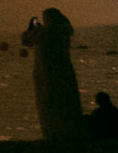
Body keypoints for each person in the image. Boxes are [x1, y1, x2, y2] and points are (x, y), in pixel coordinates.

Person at [21, 8, 84, 141]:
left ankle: (54, 132)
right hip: (64, 71)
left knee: (50, 100)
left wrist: (30, 28)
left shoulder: (45, 32)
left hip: (47, 72)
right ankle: (70, 130)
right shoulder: (63, 31)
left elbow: (26, 41)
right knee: (66, 100)